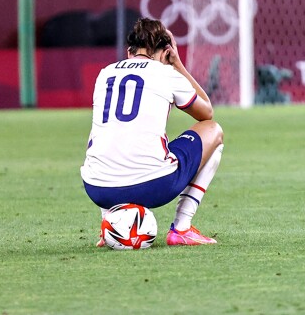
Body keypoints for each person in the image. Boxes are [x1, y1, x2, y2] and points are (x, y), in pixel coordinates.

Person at [81, 18, 224, 247]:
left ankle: (108, 226)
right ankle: (182, 228)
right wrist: (177, 65)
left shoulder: (104, 74)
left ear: (129, 51)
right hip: (154, 186)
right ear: (165, 52)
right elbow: (206, 112)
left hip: (97, 189)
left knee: (107, 137)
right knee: (213, 131)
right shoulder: (165, 73)